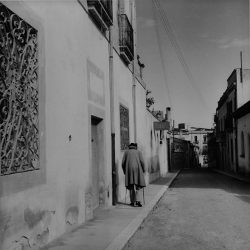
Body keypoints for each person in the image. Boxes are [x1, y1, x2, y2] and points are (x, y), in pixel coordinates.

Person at [122, 143, 146, 207]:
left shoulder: (126, 152)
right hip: (137, 170)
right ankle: (138, 201)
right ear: (135, 147)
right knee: (138, 186)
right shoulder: (138, 152)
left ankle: (132, 201)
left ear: (130, 147)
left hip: (129, 170)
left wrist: (125, 171)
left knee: (131, 186)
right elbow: (142, 162)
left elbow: (123, 163)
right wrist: (143, 170)